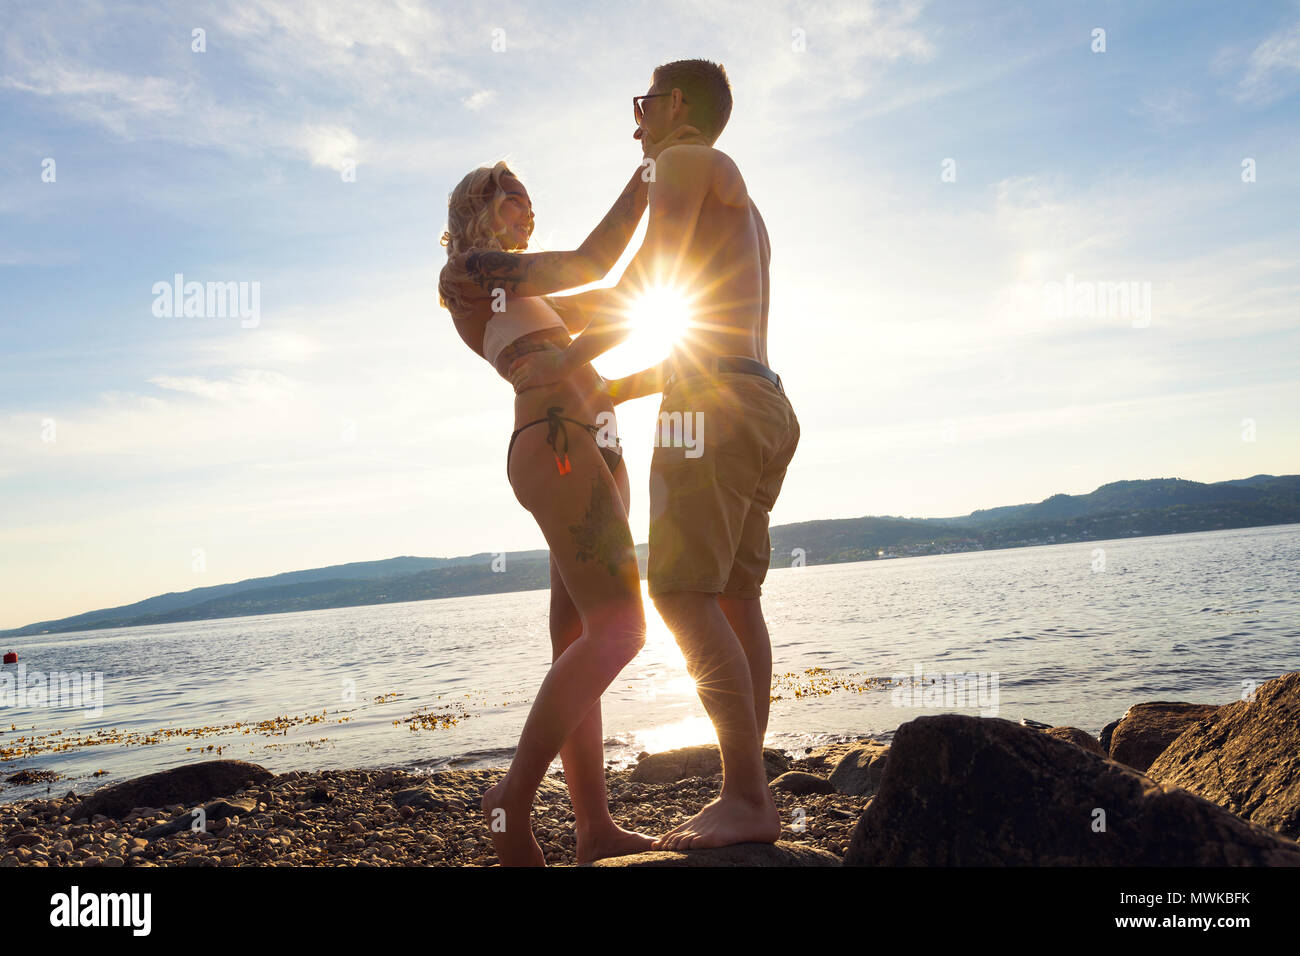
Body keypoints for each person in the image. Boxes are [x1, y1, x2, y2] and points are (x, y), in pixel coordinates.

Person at [508, 58, 800, 851]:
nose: (634, 123)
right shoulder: (740, 198)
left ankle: (745, 795)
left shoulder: (681, 158)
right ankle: (751, 793)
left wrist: (564, 355)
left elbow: (646, 279)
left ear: (673, 104)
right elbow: (691, 333)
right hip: (762, 400)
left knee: (678, 593)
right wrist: (604, 371)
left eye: (641, 104)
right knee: (737, 600)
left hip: (709, 411)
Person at [437, 123, 704, 865]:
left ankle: (593, 828)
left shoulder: (535, 302)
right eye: (509, 197)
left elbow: (622, 297)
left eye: (527, 200)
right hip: (558, 453)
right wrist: (651, 172)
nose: (524, 210)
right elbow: (594, 258)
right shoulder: (467, 274)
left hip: (594, 452)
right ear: (473, 210)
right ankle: (510, 801)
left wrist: (678, 357)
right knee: (623, 633)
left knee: (577, 642)